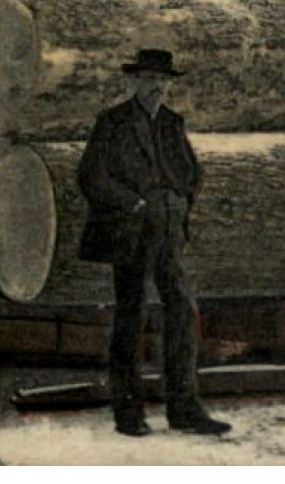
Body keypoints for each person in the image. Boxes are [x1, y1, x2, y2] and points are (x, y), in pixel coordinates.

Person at [77, 48, 230, 438]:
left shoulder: (171, 123)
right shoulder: (112, 122)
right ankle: (128, 414)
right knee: (131, 315)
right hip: (130, 233)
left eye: (162, 81)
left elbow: (192, 172)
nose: (156, 87)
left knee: (182, 308)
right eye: (148, 79)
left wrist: (178, 203)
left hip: (168, 231)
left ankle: (184, 409)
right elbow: (91, 176)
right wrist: (134, 203)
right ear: (133, 82)